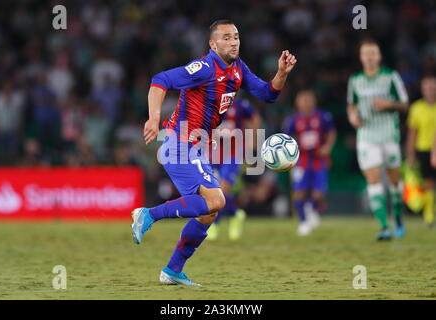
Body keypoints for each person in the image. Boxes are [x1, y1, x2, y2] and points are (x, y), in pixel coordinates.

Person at [132, 19, 296, 286]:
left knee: (208, 212)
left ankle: (172, 270)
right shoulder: (204, 68)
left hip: (195, 146)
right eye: (226, 38)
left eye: (236, 37)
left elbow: (267, 94)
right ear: (212, 44)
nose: (233, 42)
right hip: (179, 143)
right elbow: (160, 80)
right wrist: (153, 119)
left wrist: (282, 73)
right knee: (217, 201)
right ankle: (148, 215)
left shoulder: (238, 69)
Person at [347, 39, 409, 240]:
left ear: (379, 56)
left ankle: (398, 216)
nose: (370, 57)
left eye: (373, 53)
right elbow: (351, 105)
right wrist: (353, 117)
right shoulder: (355, 80)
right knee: (373, 180)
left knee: (394, 182)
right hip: (366, 136)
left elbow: (404, 104)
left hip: (389, 135)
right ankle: (384, 226)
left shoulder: (390, 77)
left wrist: (389, 104)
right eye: (366, 53)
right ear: (361, 57)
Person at [283, 89, 336, 236]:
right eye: (303, 99)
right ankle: (303, 222)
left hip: (320, 160)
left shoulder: (323, 116)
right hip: (302, 161)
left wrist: (327, 147)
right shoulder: (292, 120)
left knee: (319, 194)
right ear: (297, 102)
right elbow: (285, 140)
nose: (306, 102)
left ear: (314, 101)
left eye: (308, 99)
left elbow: (331, 132)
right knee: (298, 193)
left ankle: (310, 208)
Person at [207, 98, 261, 241]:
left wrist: (252, 140)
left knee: (223, 189)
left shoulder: (241, 105)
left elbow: (255, 118)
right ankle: (235, 213)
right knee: (213, 191)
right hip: (215, 154)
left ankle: (215, 224)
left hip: (234, 153)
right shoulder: (211, 104)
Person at [406, 75, 436, 227]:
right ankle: (429, 215)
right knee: (428, 183)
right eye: (427, 87)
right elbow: (412, 133)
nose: (430, 90)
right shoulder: (416, 108)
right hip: (423, 149)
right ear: (422, 89)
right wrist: (410, 154)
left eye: (432, 87)